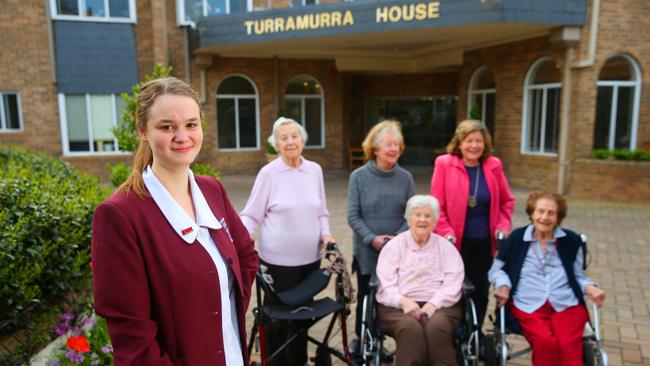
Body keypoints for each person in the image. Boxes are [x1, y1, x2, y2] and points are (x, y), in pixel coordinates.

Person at [92, 77, 258, 366]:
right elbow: (133, 338)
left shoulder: (211, 189)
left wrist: (223, 314)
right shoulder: (120, 215)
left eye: (191, 124)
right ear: (143, 130)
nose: (182, 136)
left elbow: (246, 255)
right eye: (167, 127)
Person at [240, 117, 334, 366]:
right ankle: (277, 362)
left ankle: (299, 361)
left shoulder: (314, 170)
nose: (290, 141)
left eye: (295, 136)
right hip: (277, 265)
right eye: (284, 138)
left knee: (302, 318)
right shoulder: (269, 174)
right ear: (276, 145)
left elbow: (322, 212)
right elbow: (251, 215)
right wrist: (237, 241)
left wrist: (326, 235)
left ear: (302, 140)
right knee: (277, 320)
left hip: (311, 261)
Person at [488, 191, 606, 366]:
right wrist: (503, 284)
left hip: (565, 304)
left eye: (551, 213)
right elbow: (497, 269)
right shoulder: (517, 238)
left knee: (567, 344)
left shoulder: (571, 241)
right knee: (546, 342)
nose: (544, 217)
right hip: (528, 304)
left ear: (558, 217)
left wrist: (590, 287)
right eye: (540, 211)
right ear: (532, 213)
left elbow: (577, 276)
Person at [429, 119, 515, 331]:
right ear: (459, 143)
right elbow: (436, 204)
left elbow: (507, 201)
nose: (474, 146)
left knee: (480, 289)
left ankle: (475, 331)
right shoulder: (444, 163)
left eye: (479, 141)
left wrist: (502, 227)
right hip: (454, 242)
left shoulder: (493, 165)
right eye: (469, 141)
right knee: (454, 288)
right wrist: (446, 231)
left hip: (484, 243)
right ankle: (456, 331)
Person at [347, 120, 415, 353]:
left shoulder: (405, 178)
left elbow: (412, 215)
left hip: (398, 250)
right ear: (375, 149)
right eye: (388, 144)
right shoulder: (358, 177)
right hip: (368, 249)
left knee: (392, 298)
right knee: (367, 294)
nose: (394, 149)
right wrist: (372, 238)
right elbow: (353, 215)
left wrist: (396, 239)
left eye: (397, 144)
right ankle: (361, 337)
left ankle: (382, 339)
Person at [376, 195, 464, 366]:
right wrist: (403, 302)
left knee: (436, 327)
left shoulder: (446, 248)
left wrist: (434, 303)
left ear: (435, 221)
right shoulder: (394, 246)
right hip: (398, 306)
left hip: (442, 306)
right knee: (410, 329)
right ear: (409, 219)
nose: (422, 220)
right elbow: (386, 284)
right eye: (417, 215)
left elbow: (453, 282)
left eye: (427, 216)